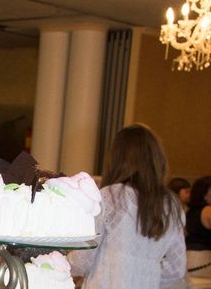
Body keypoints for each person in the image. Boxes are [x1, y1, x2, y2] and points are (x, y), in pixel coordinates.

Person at [68, 123, 186, 288]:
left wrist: (60, 264)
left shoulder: (111, 196)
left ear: (117, 158)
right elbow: (177, 269)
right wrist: (145, 271)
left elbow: (83, 260)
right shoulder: (171, 204)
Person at [185, 176, 211, 277]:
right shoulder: (208, 211)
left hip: (189, 260)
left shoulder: (189, 212)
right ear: (204, 194)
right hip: (203, 262)